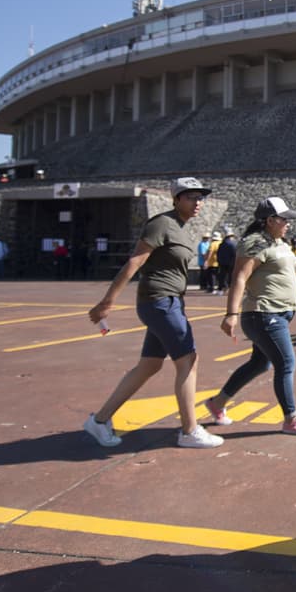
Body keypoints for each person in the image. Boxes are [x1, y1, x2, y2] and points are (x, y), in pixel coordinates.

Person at [82, 177, 224, 449]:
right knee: (188, 360)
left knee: (150, 364)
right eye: (191, 197)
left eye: (200, 197)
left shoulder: (181, 228)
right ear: (177, 199)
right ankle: (189, 430)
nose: (198, 202)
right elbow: (135, 261)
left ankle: (99, 421)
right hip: (159, 301)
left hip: (169, 302)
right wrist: (107, 301)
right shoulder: (162, 223)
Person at [205, 197, 296, 436]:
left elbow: (275, 275)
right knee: (286, 363)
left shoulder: (279, 242)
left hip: (275, 314)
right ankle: (291, 419)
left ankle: (217, 403)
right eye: (284, 218)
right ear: (270, 220)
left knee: (260, 363)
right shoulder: (255, 243)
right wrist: (230, 314)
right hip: (264, 314)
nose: (288, 223)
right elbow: (239, 277)